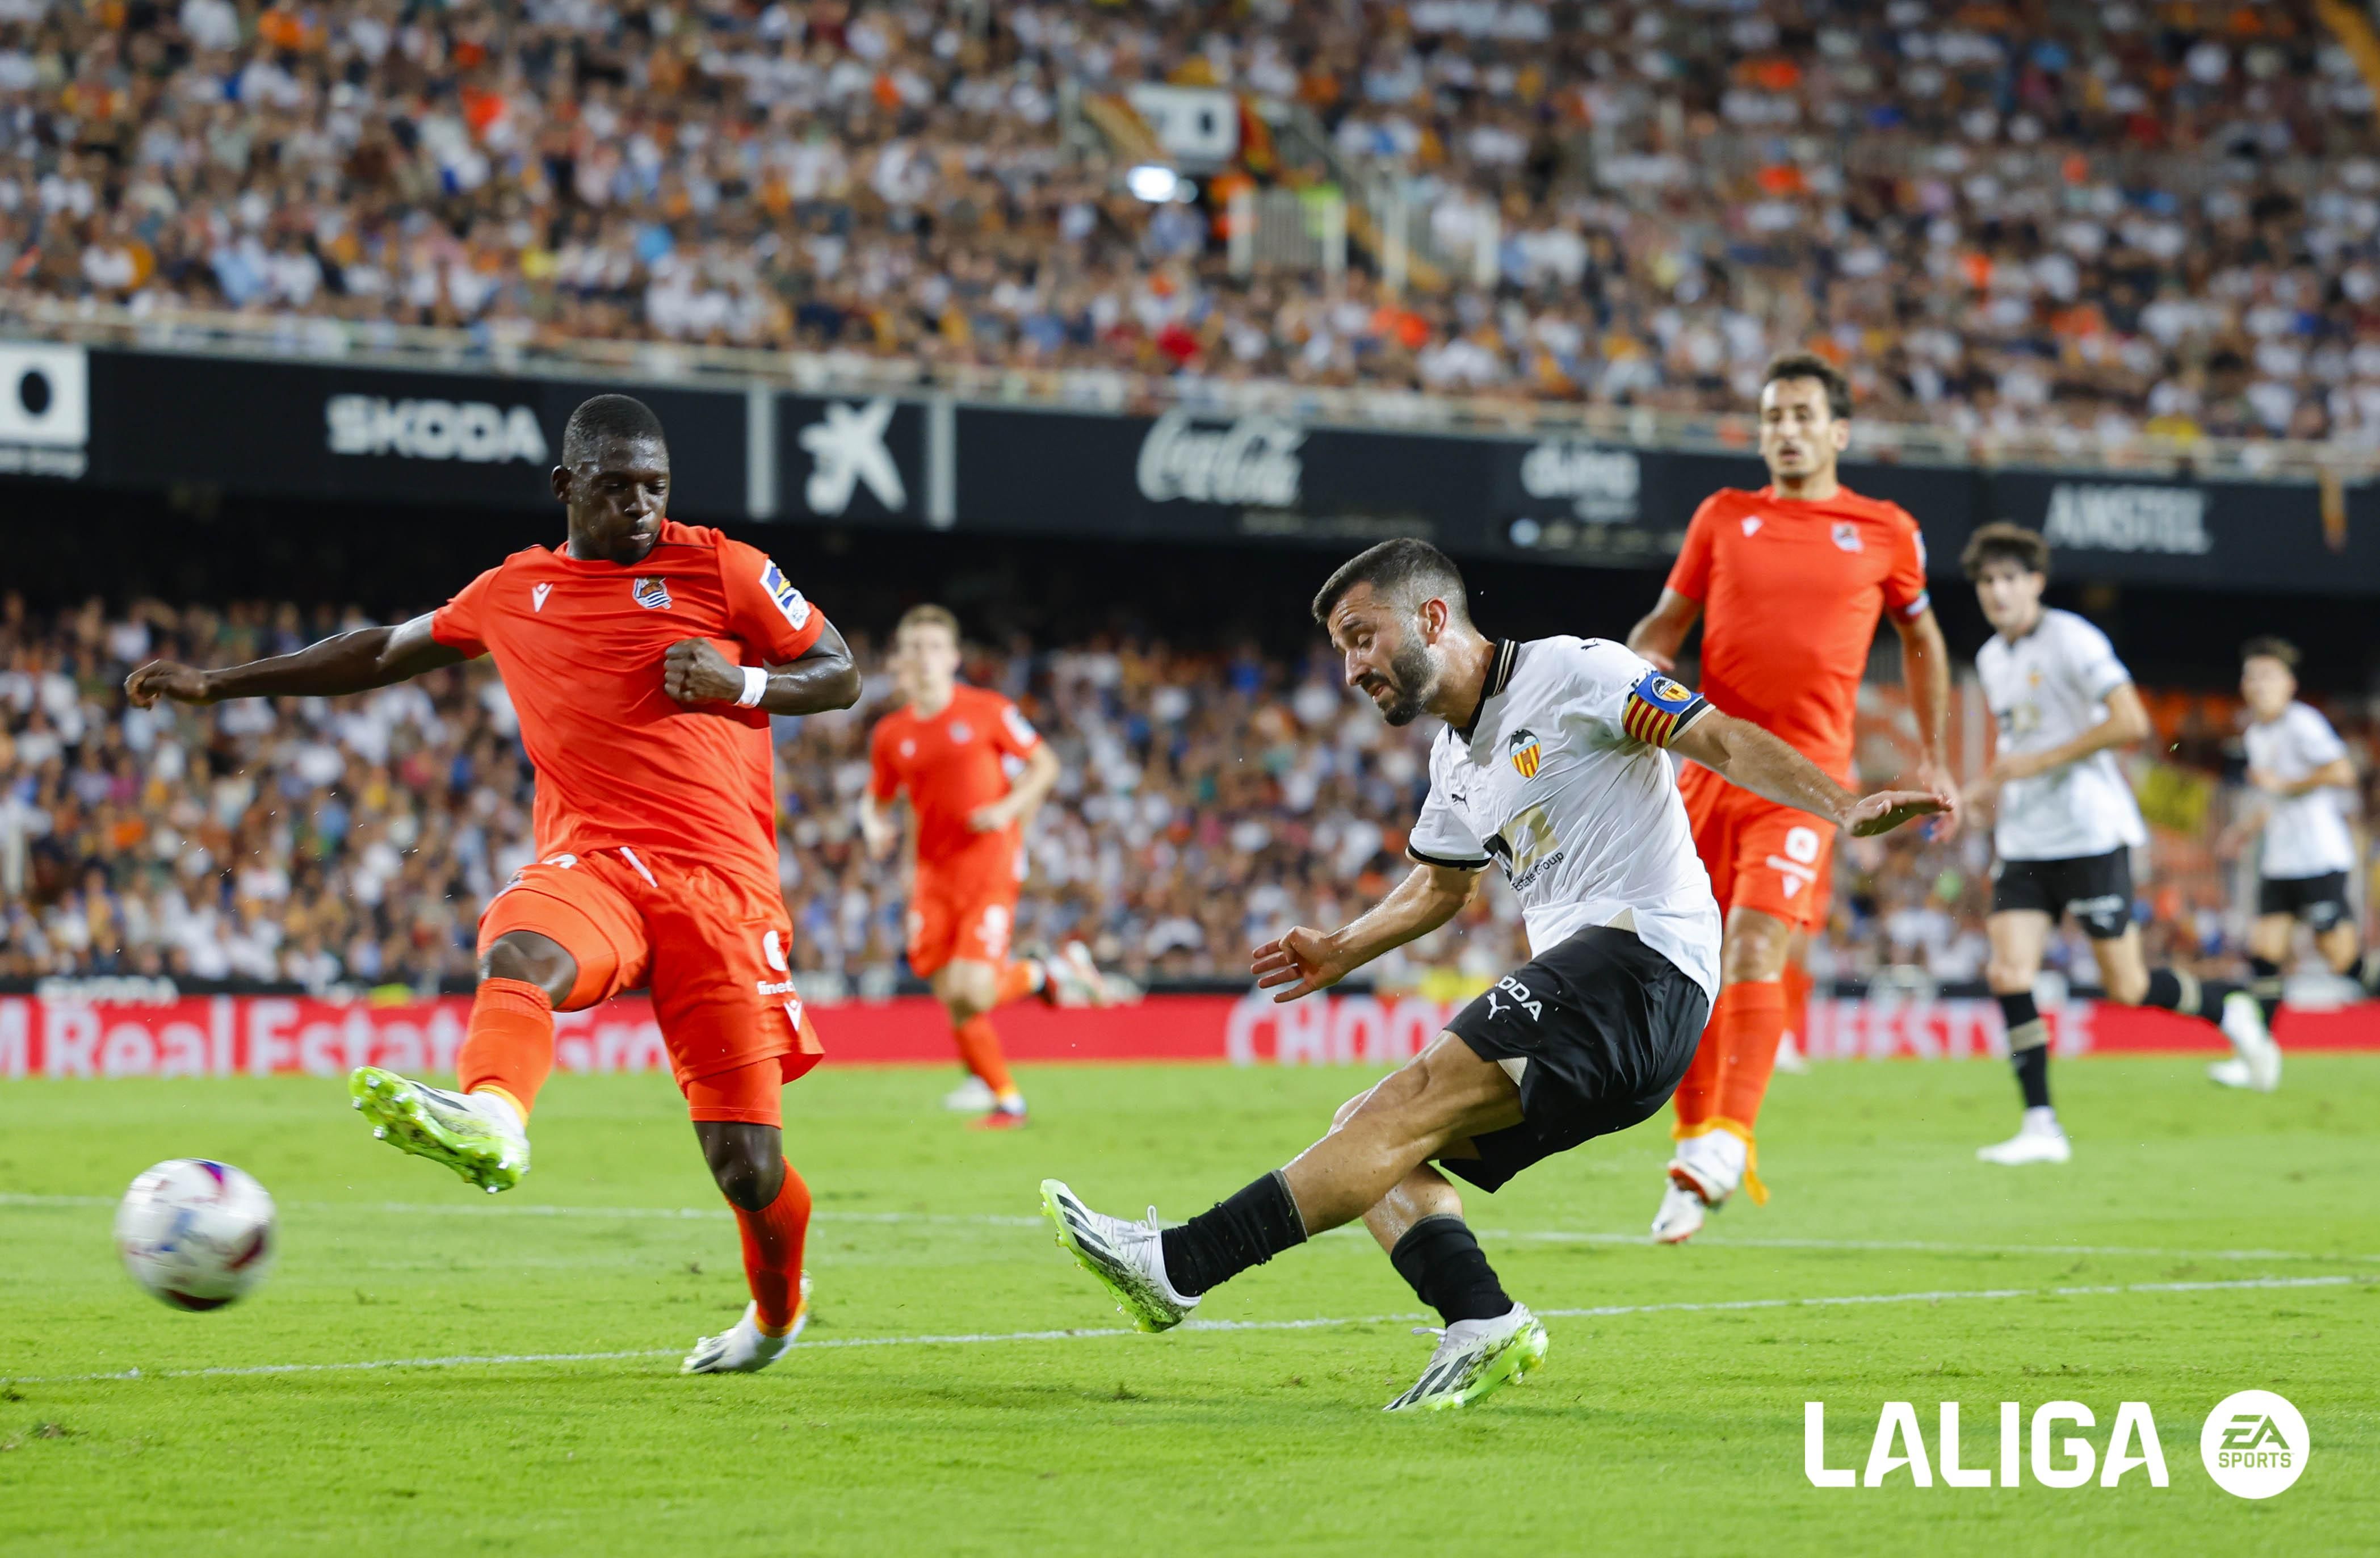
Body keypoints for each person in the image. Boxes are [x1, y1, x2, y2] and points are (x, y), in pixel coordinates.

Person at [1039, 540, 1943, 1412]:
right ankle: (1481, 1320)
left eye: (1362, 638)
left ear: (1433, 616)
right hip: (1607, 1007)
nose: (1353, 670)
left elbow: (1722, 741)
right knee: (1372, 1138)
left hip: (1642, 961)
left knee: (1399, 1105)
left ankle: (1180, 1265)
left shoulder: (1579, 673)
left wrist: (1842, 804)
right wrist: (1344, 947)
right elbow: (1440, 884)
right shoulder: (1451, 758)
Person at [124, 395, 862, 1375]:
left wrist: (745, 686)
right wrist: (222, 683)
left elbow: (839, 669)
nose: (641, 505)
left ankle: (774, 1315)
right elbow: (384, 648)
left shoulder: (723, 567)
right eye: (616, 486)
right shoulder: (516, 589)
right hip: (595, 864)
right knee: (519, 946)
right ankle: (496, 1119)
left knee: (746, 1167)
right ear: (566, 486)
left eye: (655, 485)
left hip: (720, 886)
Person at [1625, 351, 1958, 1243]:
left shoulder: (1885, 530)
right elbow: (1663, 626)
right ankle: (1694, 1155)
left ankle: (1731, 1135)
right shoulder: (1724, 518)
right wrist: (1642, 664)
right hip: (1704, 769)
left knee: (1755, 944)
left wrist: (1933, 755)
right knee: (1682, 964)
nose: (1787, 430)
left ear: (1838, 432)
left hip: (1803, 781)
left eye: (1804, 414)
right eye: (1773, 415)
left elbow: (1922, 639)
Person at [1961, 523, 2278, 1158]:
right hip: (2024, 839)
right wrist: (1975, 794)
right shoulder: (1992, 659)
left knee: (2126, 986)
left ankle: (2227, 1007)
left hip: (2089, 832)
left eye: (2008, 578)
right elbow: (2018, 747)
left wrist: (2040, 761)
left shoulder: (2073, 639)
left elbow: (2129, 721)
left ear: (2035, 582)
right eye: (1986, 581)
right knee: (2006, 970)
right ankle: (2040, 1125)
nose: (1997, 591)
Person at [860, 605, 1109, 1128]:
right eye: (914, 648)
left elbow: (1046, 765)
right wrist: (873, 826)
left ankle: (1049, 971)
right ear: (901, 660)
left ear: (952, 658)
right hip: (931, 875)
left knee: (973, 989)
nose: (923, 658)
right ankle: (1005, 1099)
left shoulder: (988, 710)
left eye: (933, 647)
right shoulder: (891, 733)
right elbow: (877, 801)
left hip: (988, 866)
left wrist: (1005, 809)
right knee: (952, 994)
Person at [2224, 636, 2379, 1076]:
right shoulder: (2255, 734)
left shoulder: (2303, 723)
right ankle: (2258, 1056)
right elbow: (2267, 798)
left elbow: (2342, 771)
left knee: (2340, 959)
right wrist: (2241, 830)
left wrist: (2286, 785)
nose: (2257, 685)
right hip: (2279, 861)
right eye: (2251, 676)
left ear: (2288, 684)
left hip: (2318, 858)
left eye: (2267, 676)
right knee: (2264, 952)